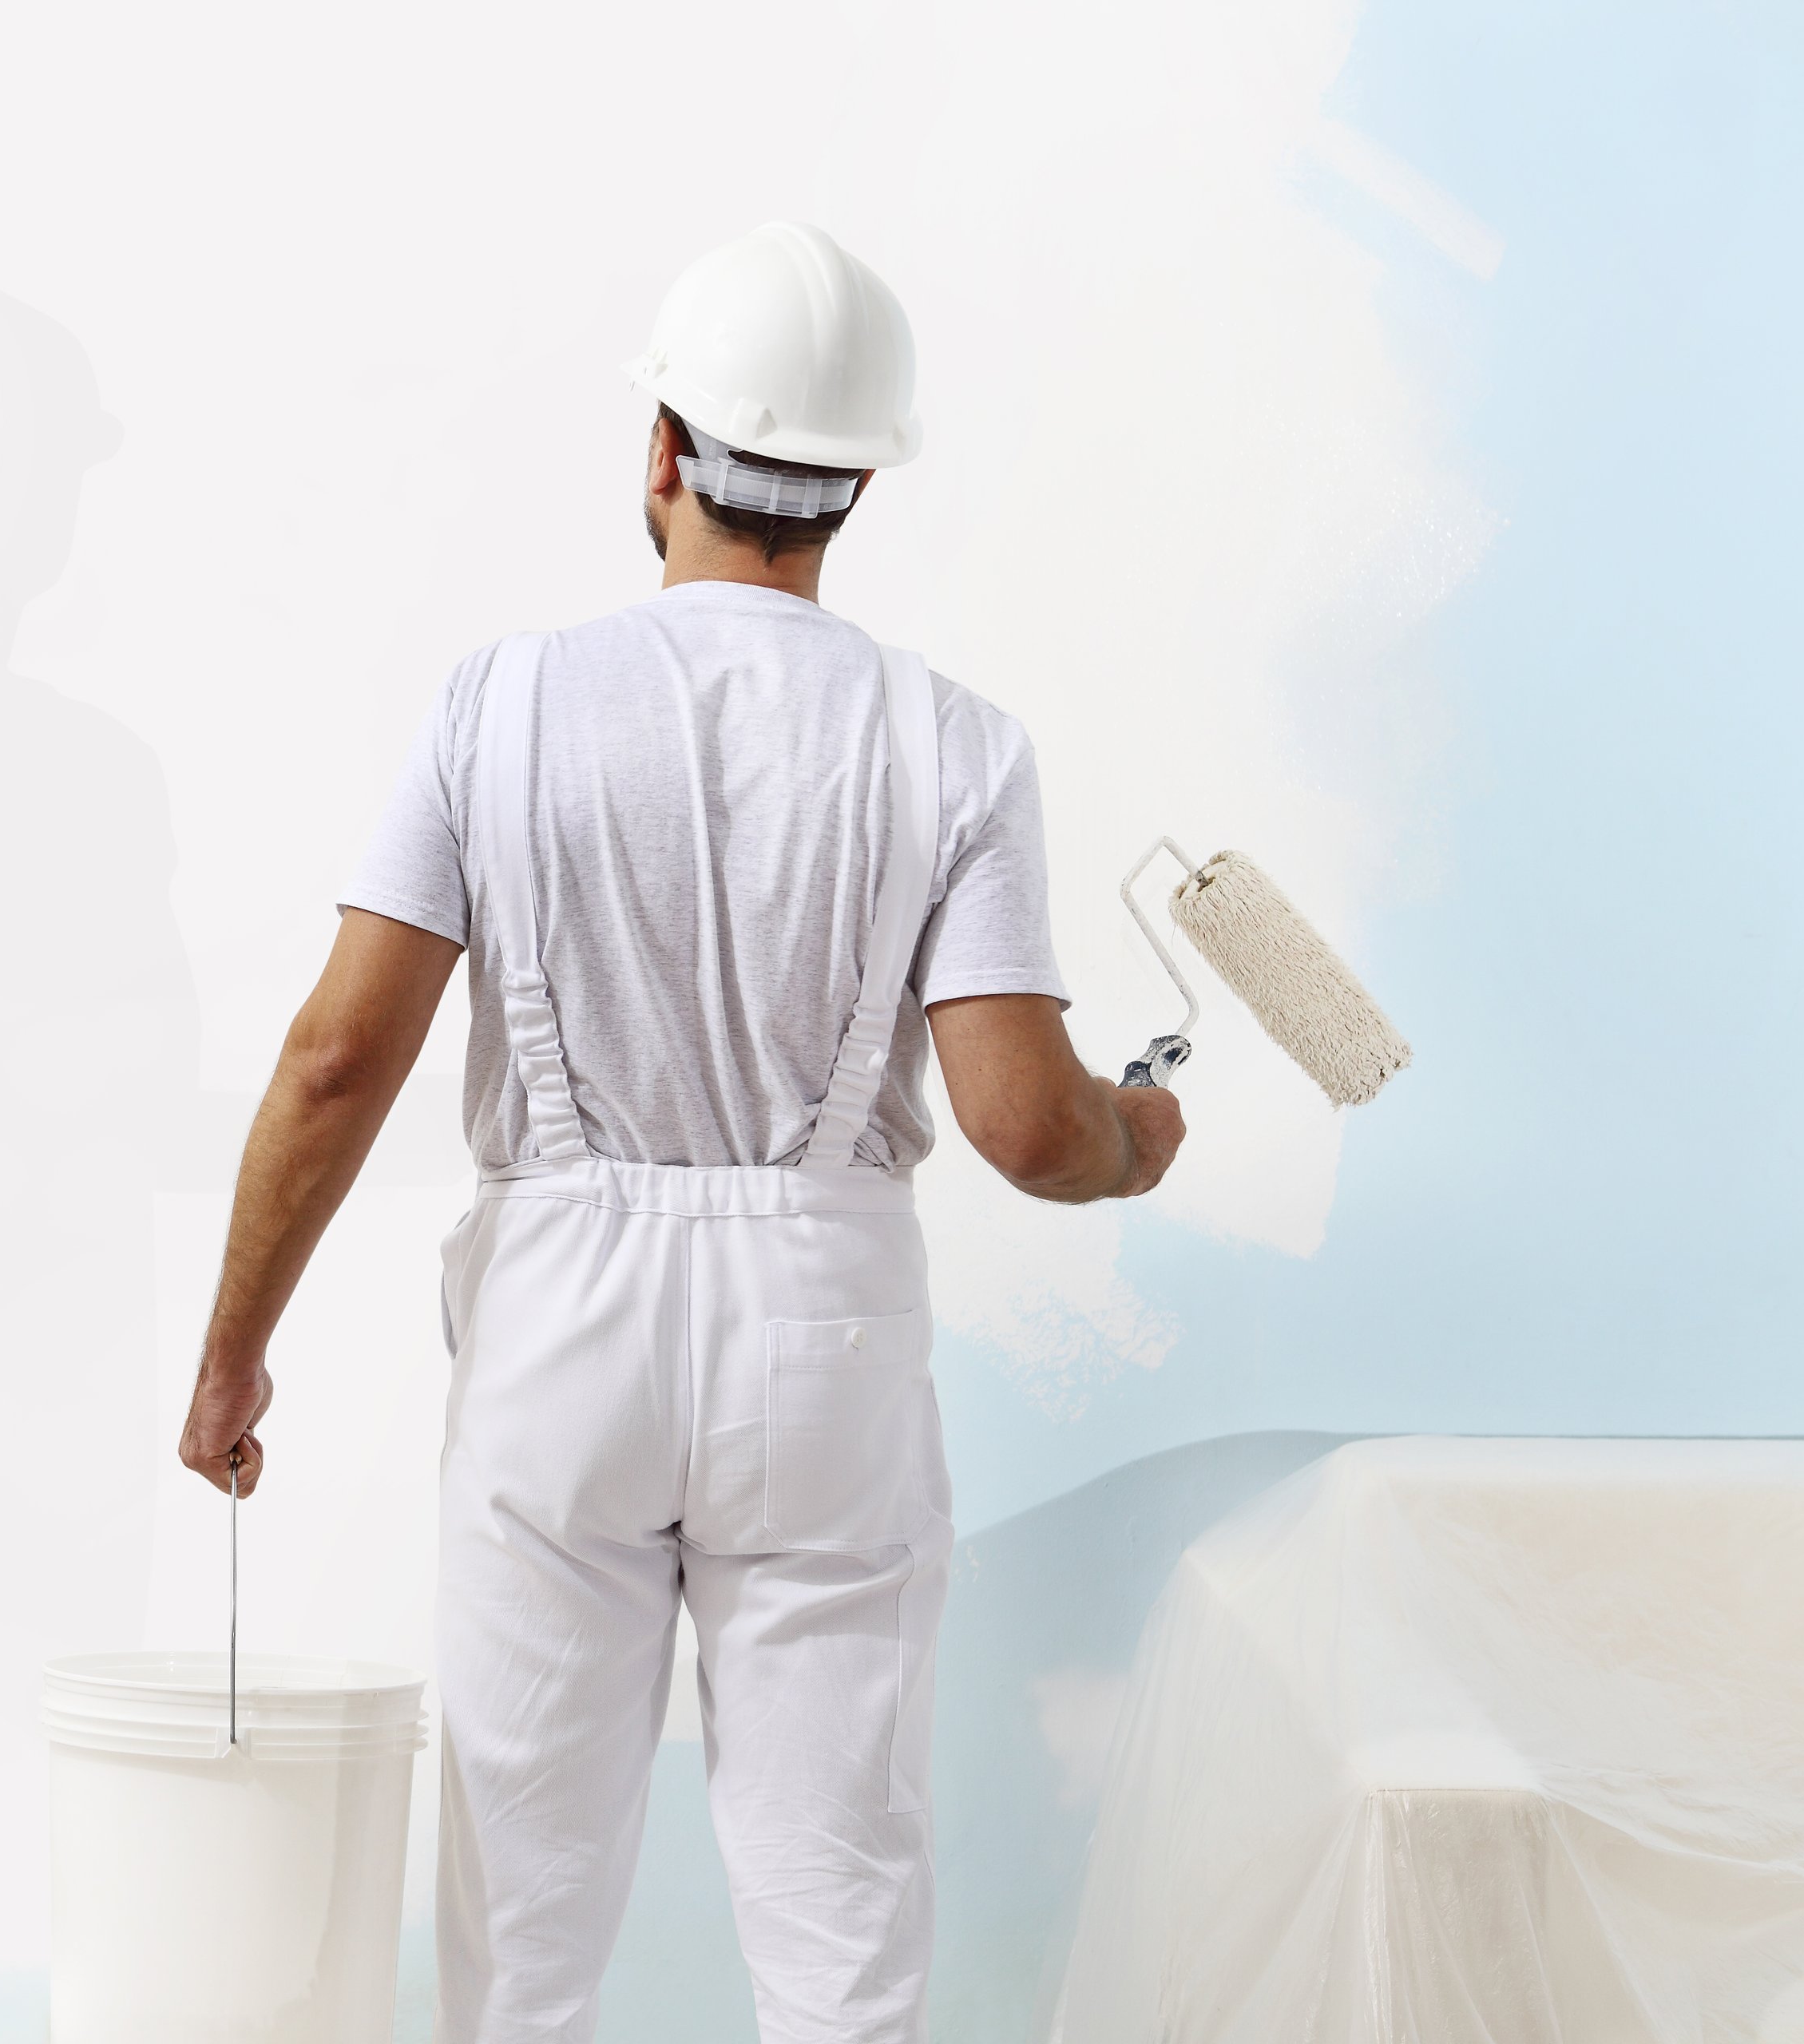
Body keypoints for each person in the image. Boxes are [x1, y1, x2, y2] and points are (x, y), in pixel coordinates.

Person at [172, 222, 1184, 2042]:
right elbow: (1028, 1127)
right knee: (839, 1908)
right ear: (861, 482)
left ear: (663, 452)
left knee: (526, 1925)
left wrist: (233, 1356)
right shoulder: (955, 745)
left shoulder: (498, 706)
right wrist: (1139, 1131)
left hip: (561, 1320)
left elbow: (338, 1061)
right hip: (828, 1332)